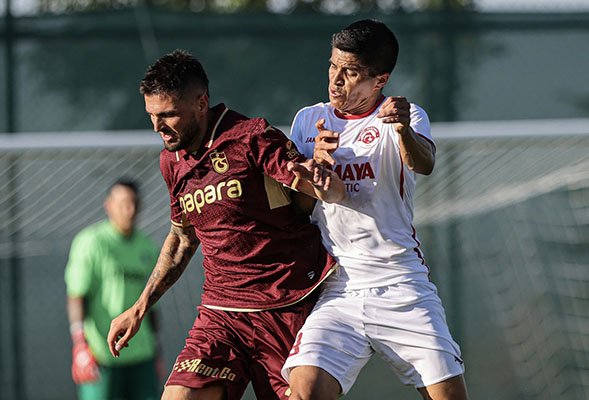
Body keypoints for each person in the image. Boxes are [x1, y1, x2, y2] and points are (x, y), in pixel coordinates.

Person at [106, 50, 344, 400]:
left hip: (283, 305)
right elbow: (181, 239)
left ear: (201, 103)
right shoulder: (171, 161)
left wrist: (318, 172)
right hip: (221, 313)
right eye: (152, 115)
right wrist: (139, 308)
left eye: (168, 114)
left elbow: (308, 198)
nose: (158, 127)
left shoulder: (252, 137)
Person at [281, 20, 470, 400]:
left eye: (350, 72)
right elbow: (299, 207)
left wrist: (402, 130)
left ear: (380, 80)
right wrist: (316, 168)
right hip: (337, 288)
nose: (336, 80)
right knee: (304, 391)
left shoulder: (404, 116)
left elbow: (424, 162)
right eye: (333, 66)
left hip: (401, 284)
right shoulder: (308, 120)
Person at [65, 178, 163, 400]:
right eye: (122, 204)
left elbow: (152, 305)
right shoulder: (92, 242)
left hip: (142, 357)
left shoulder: (147, 246)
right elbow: (76, 295)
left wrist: (157, 351)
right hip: (101, 355)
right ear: (108, 205)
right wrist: (80, 346)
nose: (129, 210)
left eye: (133, 203)